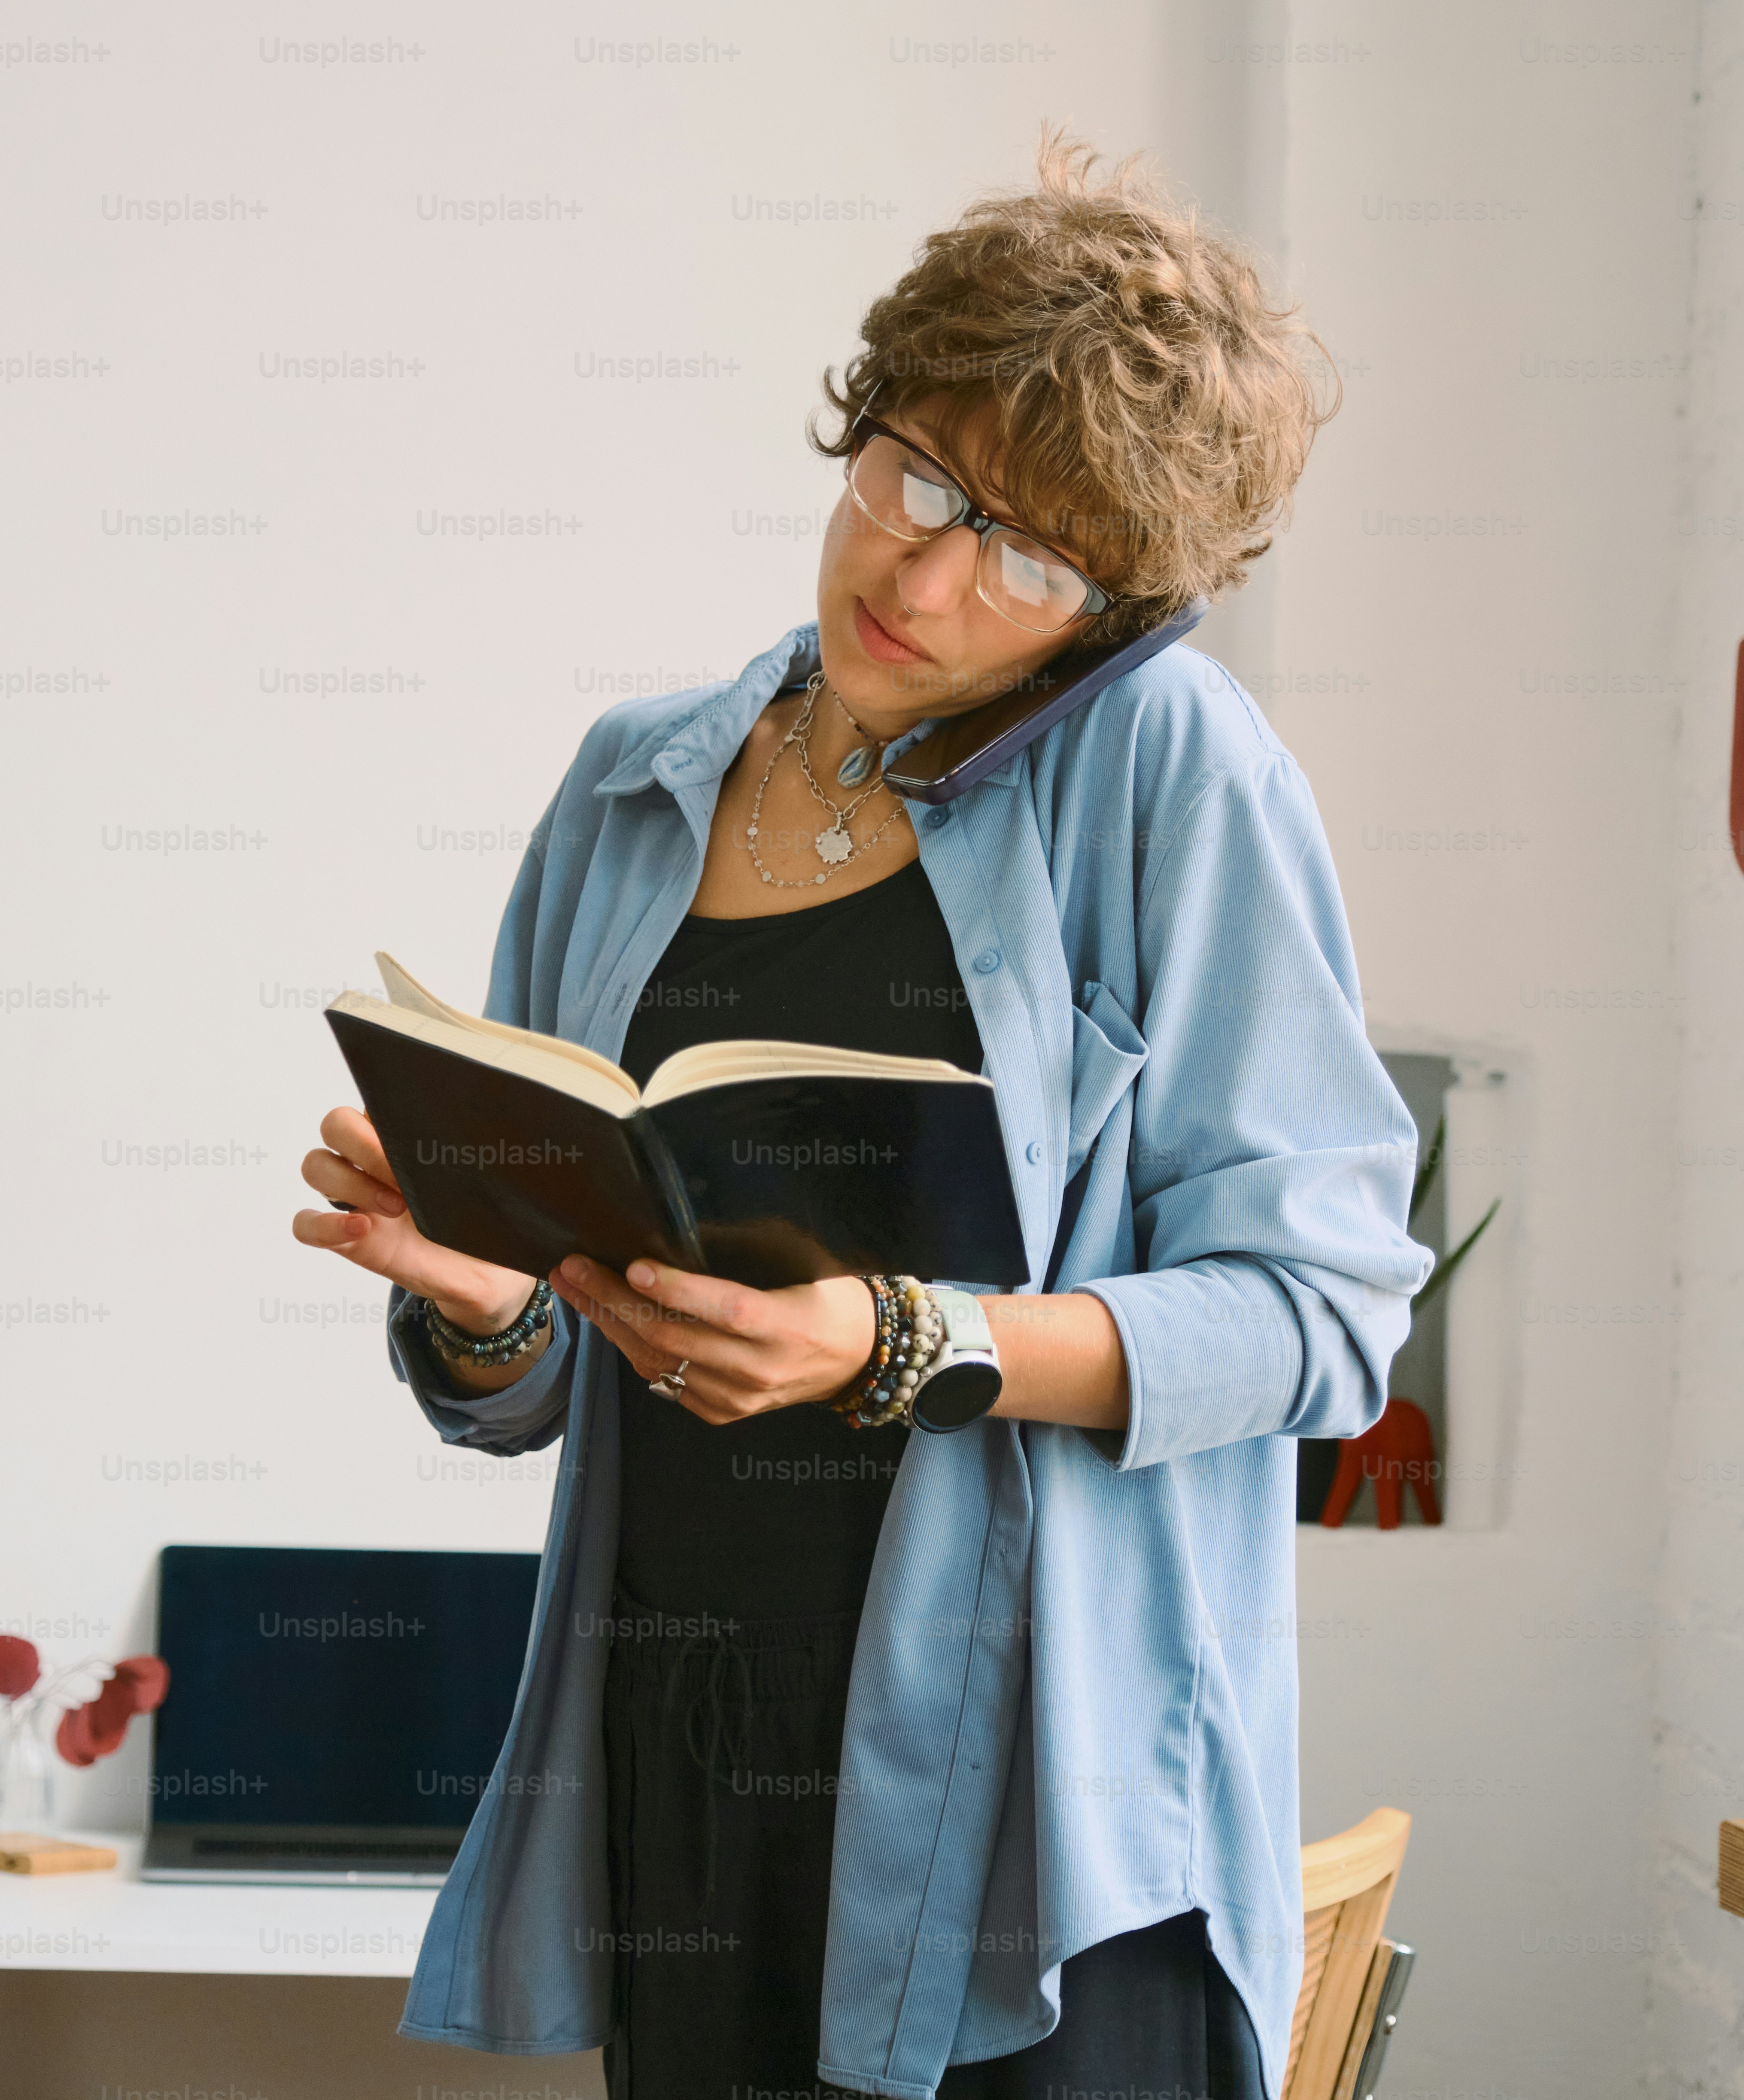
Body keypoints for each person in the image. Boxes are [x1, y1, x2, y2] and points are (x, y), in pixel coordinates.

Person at [294, 133, 1430, 2100]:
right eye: (914, 477)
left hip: (1041, 1802)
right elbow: (542, 1378)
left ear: (1109, 608)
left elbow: (1318, 1317)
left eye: (1028, 556)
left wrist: (901, 1341)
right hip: (688, 1743)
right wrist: (479, 1294)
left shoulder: (1170, 770)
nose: (922, 574)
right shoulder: (629, 787)